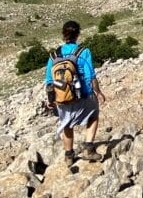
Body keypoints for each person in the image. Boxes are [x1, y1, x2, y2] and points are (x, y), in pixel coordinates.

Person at [44, 20, 107, 166]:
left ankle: (69, 156)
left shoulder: (53, 56)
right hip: (83, 95)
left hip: (62, 96)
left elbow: (49, 80)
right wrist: (98, 92)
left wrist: (51, 98)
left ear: (63, 34)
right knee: (93, 116)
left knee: (67, 123)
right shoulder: (83, 51)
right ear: (78, 34)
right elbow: (90, 76)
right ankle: (89, 149)